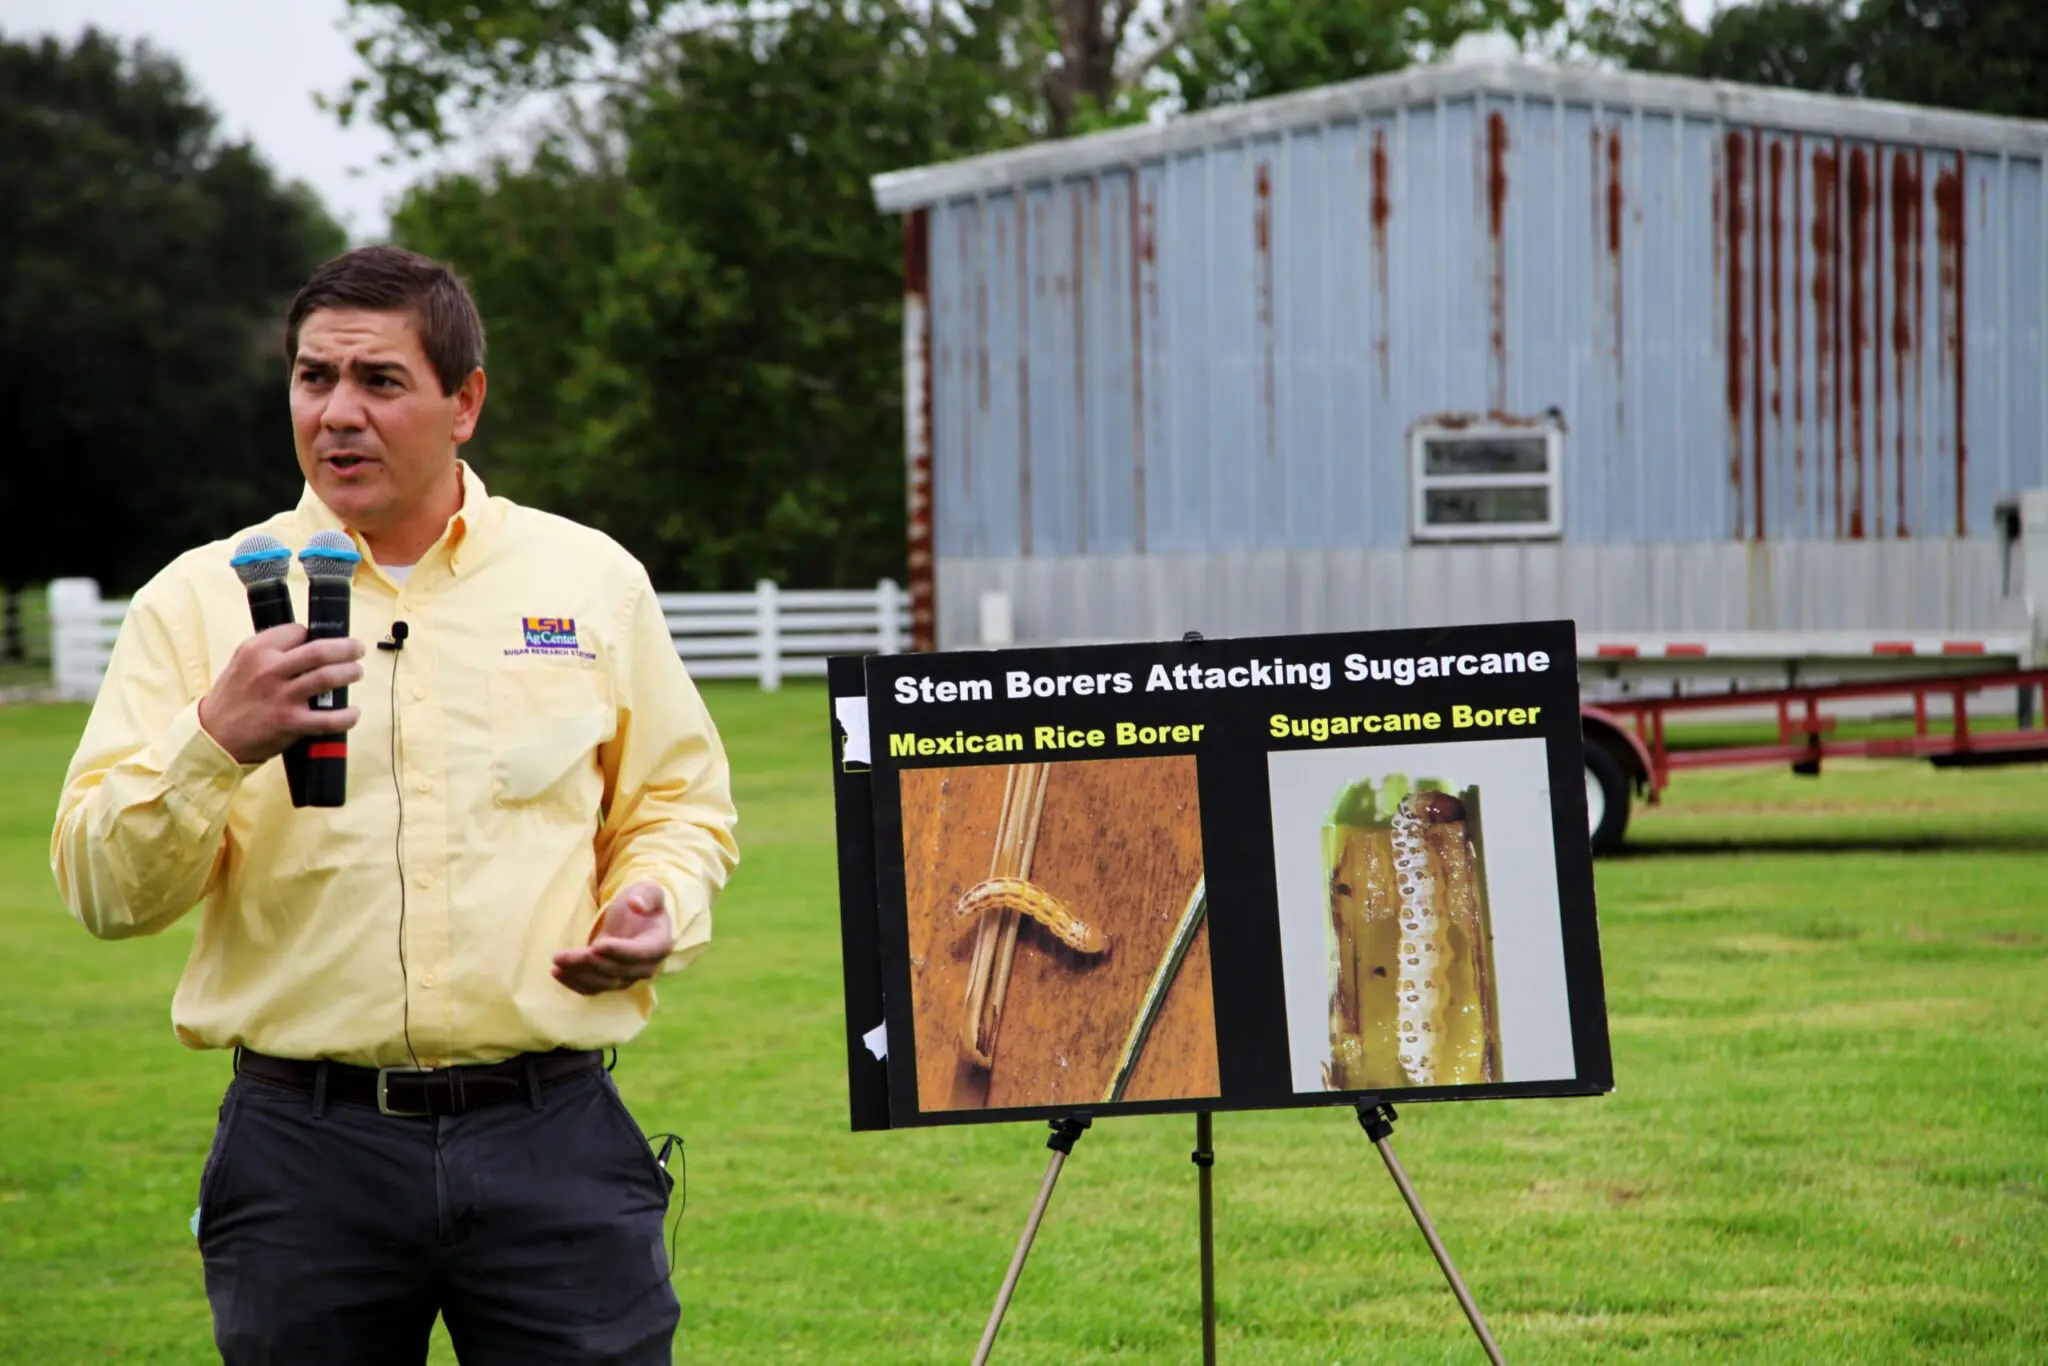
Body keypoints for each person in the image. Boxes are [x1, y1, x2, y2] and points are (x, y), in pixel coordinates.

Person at [50, 244, 740, 1364]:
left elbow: (676, 802)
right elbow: (103, 892)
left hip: (550, 1135)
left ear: (464, 401)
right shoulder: (201, 599)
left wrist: (655, 895)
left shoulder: (588, 581)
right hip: (301, 1153)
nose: (338, 414)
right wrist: (212, 741)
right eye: (314, 378)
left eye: (379, 381)